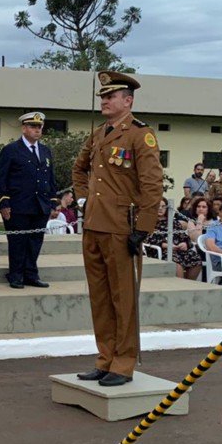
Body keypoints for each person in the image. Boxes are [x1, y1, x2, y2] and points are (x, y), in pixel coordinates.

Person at [72, 71, 164, 386]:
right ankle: (105, 358)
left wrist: (144, 227)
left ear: (128, 100)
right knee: (100, 297)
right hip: (94, 224)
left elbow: (153, 184)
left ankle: (123, 363)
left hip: (121, 227)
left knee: (123, 298)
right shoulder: (99, 133)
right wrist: (83, 201)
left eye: (111, 96)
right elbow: (78, 168)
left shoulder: (140, 134)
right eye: (103, 96)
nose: (105, 101)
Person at [0, 111, 58, 289]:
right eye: (32, 126)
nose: (37, 130)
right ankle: (15, 274)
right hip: (18, 205)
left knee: (35, 241)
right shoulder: (11, 150)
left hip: (40, 205)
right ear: (24, 128)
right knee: (18, 242)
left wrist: (53, 202)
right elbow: (1, 178)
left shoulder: (45, 151)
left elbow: (50, 179)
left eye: (39, 127)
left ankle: (31, 273)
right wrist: (3, 202)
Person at [146, 198, 201, 279]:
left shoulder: (173, 222)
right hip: (161, 250)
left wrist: (185, 244)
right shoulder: (149, 222)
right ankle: (180, 286)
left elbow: (186, 238)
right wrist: (166, 245)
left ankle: (189, 283)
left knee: (196, 259)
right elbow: (147, 240)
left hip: (178, 249)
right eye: (158, 206)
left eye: (163, 206)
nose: (160, 208)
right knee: (175, 262)